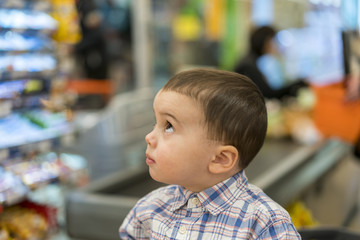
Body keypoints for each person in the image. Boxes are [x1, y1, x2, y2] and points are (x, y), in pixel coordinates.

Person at [119, 68, 301, 239]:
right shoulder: (149, 209)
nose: (149, 137)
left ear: (220, 159)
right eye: (155, 123)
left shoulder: (264, 224)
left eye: (168, 126)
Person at [234, 25, 306, 99]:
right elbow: (268, 94)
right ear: (264, 41)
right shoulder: (248, 65)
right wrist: (297, 84)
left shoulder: (250, 60)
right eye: (272, 41)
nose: (274, 45)